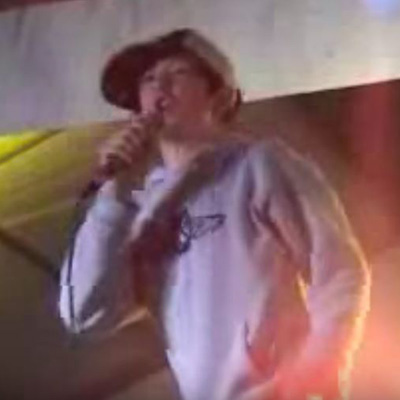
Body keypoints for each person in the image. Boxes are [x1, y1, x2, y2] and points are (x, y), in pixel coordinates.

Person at [58, 28, 370, 400]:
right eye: (149, 79)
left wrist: (316, 369)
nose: (160, 87)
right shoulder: (139, 209)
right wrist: (114, 193)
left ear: (219, 97)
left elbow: (337, 269)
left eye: (177, 73)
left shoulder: (260, 164)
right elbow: (85, 313)